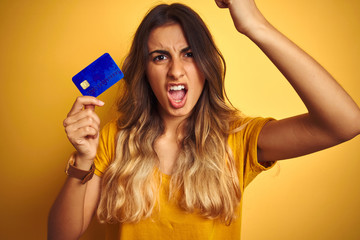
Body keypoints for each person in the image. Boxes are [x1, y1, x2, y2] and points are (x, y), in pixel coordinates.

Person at [48, 0, 360, 239]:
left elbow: (346, 122)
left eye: (189, 53)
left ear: (207, 65)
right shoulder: (113, 138)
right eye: (160, 56)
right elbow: (61, 236)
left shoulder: (237, 138)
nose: (176, 71)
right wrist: (83, 161)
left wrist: (256, 25)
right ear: (144, 70)